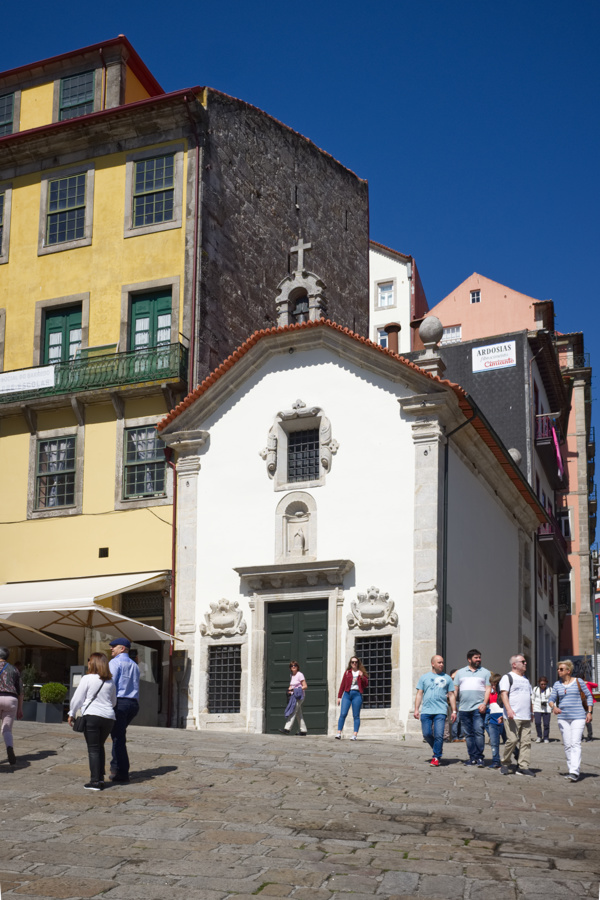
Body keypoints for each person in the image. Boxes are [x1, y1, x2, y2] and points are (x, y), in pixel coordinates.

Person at [68, 652, 116, 791]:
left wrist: (71, 713)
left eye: (89, 661)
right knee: (100, 746)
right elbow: (113, 702)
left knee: (93, 749)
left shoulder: (87, 678)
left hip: (92, 715)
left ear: (93, 663)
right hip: (108, 717)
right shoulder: (110, 681)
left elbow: (77, 698)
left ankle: (95, 781)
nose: (88, 663)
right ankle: (100, 778)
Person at [548, 659, 593, 782]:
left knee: (575, 743)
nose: (558, 671)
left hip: (578, 717)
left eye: (561, 669)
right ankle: (571, 769)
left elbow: (589, 695)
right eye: (558, 669)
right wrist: (554, 707)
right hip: (563, 718)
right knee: (567, 745)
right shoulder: (557, 684)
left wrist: (589, 712)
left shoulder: (578, 681)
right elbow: (551, 699)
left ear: (568, 671)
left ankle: (574, 771)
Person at [414, 655, 456, 767]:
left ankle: (436, 757)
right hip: (426, 710)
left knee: (438, 735)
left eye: (442, 662)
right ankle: (437, 749)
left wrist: (454, 711)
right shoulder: (424, 677)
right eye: (439, 662)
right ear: (433, 664)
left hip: (440, 710)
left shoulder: (447, 678)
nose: (442, 664)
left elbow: (451, 695)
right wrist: (416, 709)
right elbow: (419, 694)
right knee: (427, 734)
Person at [108, 638, 140, 783]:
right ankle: (115, 767)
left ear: (122, 648)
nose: (111, 648)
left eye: (114, 646)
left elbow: (111, 684)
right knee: (118, 735)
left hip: (120, 703)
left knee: (118, 738)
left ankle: (121, 771)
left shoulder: (115, 663)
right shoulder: (134, 665)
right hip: (133, 704)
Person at [453, 649, 491, 767]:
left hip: (478, 708)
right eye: (476, 657)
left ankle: (479, 757)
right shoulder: (460, 673)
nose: (478, 659)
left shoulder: (485, 672)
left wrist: (484, 703)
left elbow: (488, 689)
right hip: (464, 708)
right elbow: (455, 690)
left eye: (479, 657)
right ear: (469, 659)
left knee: (479, 732)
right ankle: (472, 757)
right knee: (468, 734)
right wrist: (453, 706)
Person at [499, 654, 535, 777]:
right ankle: (505, 763)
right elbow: (504, 694)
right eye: (523, 661)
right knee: (512, 740)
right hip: (513, 716)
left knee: (526, 742)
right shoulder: (507, 677)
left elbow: (529, 697)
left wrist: (531, 712)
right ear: (514, 664)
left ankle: (523, 766)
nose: (525, 663)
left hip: (526, 716)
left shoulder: (526, 679)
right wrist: (508, 710)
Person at [336, 656, 369, 741]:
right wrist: (339, 696)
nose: (354, 663)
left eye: (356, 662)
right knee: (343, 713)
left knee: (356, 715)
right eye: (352, 662)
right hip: (347, 694)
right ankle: (339, 733)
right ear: (350, 663)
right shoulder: (347, 673)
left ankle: (354, 734)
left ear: (358, 663)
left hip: (357, 694)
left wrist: (362, 677)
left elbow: (366, 684)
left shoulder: (361, 673)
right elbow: (342, 685)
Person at [0, 647, 23, 766]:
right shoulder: (14, 669)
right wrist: (20, 709)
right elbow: (21, 691)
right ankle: (9, 747)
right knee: (7, 729)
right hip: (11, 699)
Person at [279, 661, 308, 736]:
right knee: (298, 713)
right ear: (290, 668)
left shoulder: (300, 675)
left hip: (299, 696)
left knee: (293, 711)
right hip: (293, 696)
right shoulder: (292, 675)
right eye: (292, 666)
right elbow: (291, 685)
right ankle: (303, 730)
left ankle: (287, 729)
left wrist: (295, 690)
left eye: (295, 665)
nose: (293, 667)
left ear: (297, 667)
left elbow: (305, 686)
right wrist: (289, 690)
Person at [485, 673, 506, 768]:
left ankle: (517, 757)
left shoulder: (504, 694)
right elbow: (490, 707)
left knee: (509, 743)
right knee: (494, 743)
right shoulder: (490, 694)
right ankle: (496, 761)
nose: (493, 687)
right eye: (492, 685)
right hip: (493, 722)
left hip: (504, 722)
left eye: (495, 685)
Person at [532, 676, 552, 743]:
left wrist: (553, 708)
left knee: (546, 724)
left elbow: (553, 699)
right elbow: (532, 699)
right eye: (541, 684)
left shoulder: (550, 689)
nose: (543, 685)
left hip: (547, 708)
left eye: (544, 684)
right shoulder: (535, 689)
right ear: (539, 683)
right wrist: (532, 708)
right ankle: (539, 736)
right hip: (537, 708)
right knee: (537, 723)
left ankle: (546, 737)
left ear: (547, 683)